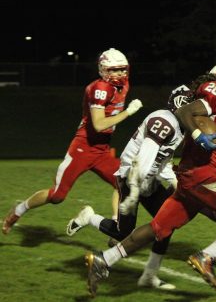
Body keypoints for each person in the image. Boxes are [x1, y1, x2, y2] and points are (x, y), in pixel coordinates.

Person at [83, 62, 216, 297]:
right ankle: (207, 257)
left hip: (195, 180)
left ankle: (103, 260)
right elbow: (185, 111)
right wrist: (199, 134)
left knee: (158, 228)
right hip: (203, 176)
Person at [65, 85, 194, 290]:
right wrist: (135, 188)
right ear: (182, 105)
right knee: (122, 233)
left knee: (167, 223)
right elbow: (145, 157)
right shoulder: (165, 121)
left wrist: (173, 180)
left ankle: (149, 276)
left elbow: (161, 161)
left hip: (148, 179)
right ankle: (89, 217)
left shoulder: (179, 127)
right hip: (131, 177)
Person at [2, 48, 143, 235]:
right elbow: (99, 124)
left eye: (122, 69)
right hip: (83, 148)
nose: (119, 74)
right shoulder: (100, 89)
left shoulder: (123, 86)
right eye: (114, 70)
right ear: (103, 70)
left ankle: (116, 228)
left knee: (124, 185)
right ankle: (19, 210)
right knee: (57, 196)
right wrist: (128, 113)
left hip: (102, 150)